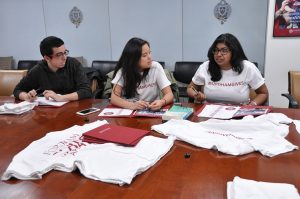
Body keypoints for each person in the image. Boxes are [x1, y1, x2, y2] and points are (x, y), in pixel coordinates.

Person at [187, 33, 268, 105]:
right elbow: (190, 88)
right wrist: (195, 95)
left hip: (239, 113)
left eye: (224, 50)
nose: (218, 54)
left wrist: (252, 105)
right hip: (209, 113)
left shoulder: (248, 67)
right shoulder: (206, 66)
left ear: (234, 52)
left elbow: (263, 93)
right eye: (216, 50)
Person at [13, 36, 92, 102]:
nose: (64, 57)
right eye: (59, 55)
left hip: (74, 108)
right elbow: (17, 90)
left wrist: (60, 97)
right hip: (50, 113)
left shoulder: (73, 64)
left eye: (65, 52)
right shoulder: (38, 70)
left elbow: (86, 91)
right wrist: (26, 96)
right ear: (47, 58)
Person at [110, 37, 174, 110]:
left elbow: (169, 94)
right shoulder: (123, 71)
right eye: (144, 55)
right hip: (130, 111)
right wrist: (132, 105)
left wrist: (162, 102)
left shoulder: (156, 67)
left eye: (150, 53)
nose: (149, 57)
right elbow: (114, 98)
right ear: (133, 58)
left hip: (151, 110)